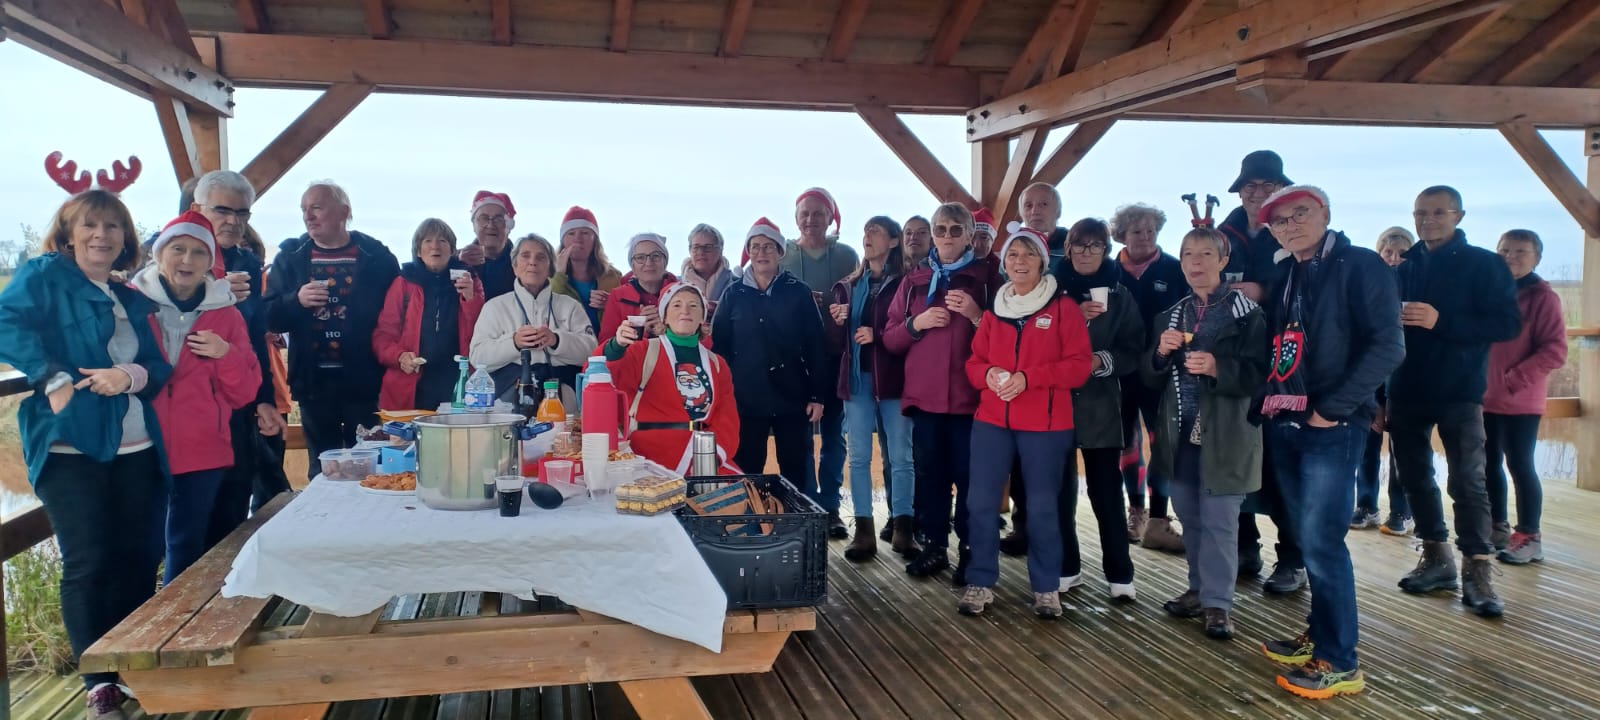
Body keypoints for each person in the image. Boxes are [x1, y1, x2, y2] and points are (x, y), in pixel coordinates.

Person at [0, 189, 172, 719]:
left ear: (125, 238)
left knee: (139, 559)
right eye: (90, 225)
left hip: (139, 447)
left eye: (113, 226)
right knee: (88, 560)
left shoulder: (132, 296)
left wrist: (132, 375)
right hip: (71, 445)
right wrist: (50, 374)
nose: (101, 235)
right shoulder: (47, 275)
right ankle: (98, 682)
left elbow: (158, 364)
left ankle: (130, 667)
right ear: (69, 232)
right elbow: (8, 324)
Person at [1253, 186, 1403, 700]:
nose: (1291, 225)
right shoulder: (1292, 271)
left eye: (1302, 214)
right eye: (1280, 221)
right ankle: (1319, 635)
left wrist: (1331, 410)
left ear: (1326, 215)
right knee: (1305, 531)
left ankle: (1341, 662)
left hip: (1332, 425)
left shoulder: (1360, 265)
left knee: (1322, 541)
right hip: (1290, 418)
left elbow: (1389, 345)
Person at [1390, 185, 1520, 618]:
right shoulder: (1402, 268)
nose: (1428, 220)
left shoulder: (1485, 265)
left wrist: (1440, 320)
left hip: (1459, 389)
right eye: (1420, 212)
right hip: (1406, 386)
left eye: (1438, 212)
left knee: (1468, 480)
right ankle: (1435, 557)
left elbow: (1505, 324)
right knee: (1413, 476)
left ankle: (1477, 568)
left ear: (1459, 216)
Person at [959, 222, 1093, 619]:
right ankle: (980, 581)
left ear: (1042, 262)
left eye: (1028, 254)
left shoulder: (1063, 308)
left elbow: (1079, 367)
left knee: (1042, 507)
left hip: (1046, 426)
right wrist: (990, 376)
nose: (1019, 261)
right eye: (1013, 254)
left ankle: (1046, 587)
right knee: (980, 502)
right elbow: (973, 363)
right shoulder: (994, 309)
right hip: (992, 420)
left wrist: (1028, 379)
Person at [1144, 227, 1268, 642]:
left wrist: (1218, 368)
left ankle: (1219, 604)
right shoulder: (1171, 315)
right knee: (1192, 518)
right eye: (1187, 255)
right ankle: (1198, 589)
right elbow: (1149, 378)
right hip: (1179, 431)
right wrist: (1160, 354)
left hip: (1227, 434)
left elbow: (1262, 375)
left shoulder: (1248, 314)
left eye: (1204, 254)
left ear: (1223, 260)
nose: (1195, 263)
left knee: (1220, 522)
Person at [132, 212, 262, 584]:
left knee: (186, 545)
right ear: (159, 253)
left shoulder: (226, 315)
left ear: (211, 262)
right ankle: (138, 629)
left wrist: (226, 354)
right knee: (140, 547)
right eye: (178, 249)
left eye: (198, 253)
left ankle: (178, 630)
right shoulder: (131, 305)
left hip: (202, 447)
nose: (187, 260)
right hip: (140, 445)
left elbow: (245, 392)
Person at [885, 202, 1002, 583]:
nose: (947, 236)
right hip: (926, 398)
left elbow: (1010, 338)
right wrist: (916, 323)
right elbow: (890, 339)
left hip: (972, 400)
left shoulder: (988, 279)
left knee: (972, 479)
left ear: (970, 234)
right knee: (931, 476)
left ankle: (971, 552)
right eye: (941, 229)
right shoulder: (914, 280)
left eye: (956, 229)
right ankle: (934, 546)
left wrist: (975, 314)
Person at [264, 181, 400, 481]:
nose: (308, 216)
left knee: (369, 463)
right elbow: (268, 316)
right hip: (314, 384)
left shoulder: (377, 256)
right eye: (304, 209)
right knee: (323, 469)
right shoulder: (291, 257)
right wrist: (296, 300)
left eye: (316, 207)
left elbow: (398, 313)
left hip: (364, 381)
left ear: (344, 212)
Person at [1219, 150, 1302, 591]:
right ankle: (1244, 547)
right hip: (1233, 366)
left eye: (1268, 185)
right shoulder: (1221, 234)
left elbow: (1306, 287)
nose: (1258, 193)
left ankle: (1292, 557)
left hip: (1285, 367)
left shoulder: (1292, 233)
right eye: (1251, 185)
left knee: (1285, 465)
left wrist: (1262, 291)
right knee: (1239, 460)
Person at [1053, 218, 1144, 601]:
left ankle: (1120, 576)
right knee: (1058, 491)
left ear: (1106, 250)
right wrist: (1073, 317)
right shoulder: (1049, 292)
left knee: (1106, 492)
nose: (1086, 252)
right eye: (1080, 244)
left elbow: (1134, 349)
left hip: (1100, 406)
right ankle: (1066, 568)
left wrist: (1100, 361)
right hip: (1053, 405)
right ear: (1069, 248)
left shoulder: (1121, 295)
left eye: (1095, 246)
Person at [187, 170, 278, 547]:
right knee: (189, 526)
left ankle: (228, 595)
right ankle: (182, 604)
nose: (233, 221)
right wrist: (213, 293)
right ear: (197, 209)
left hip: (239, 402)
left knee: (234, 506)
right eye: (222, 210)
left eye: (243, 214)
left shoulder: (247, 262)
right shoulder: (172, 253)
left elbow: (256, 338)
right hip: (190, 410)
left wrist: (265, 398)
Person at [712, 218, 828, 492]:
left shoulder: (798, 292)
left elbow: (816, 346)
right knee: (747, 467)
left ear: (779, 252)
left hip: (792, 396)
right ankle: (750, 526)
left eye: (768, 247)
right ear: (748, 252)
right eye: (755, 247)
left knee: (795, 468)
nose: (761, 253)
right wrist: (726, 395)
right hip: (746, 399)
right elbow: (720, 348)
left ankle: (796, 527)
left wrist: (817, 396)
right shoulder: (734, 294)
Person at [827, 216, 913, 561]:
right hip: (858, 381)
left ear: (894, 241)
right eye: (865, 231)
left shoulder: (907, 282)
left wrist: (878, 337)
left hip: (895, 381)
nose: (867, 236)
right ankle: (863, 529)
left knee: (902, 457)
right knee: (859, 457)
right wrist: (837, 322)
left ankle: (903, 527)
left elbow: (912, 331)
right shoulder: (848, 285)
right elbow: (836, 344)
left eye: (875, 231)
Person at [1109, 203, 1189, 551]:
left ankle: (1159, 518)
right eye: (1136, 231)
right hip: (1122, 371)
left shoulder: (1175, 269)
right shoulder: (1107, 272)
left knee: (1163, 442)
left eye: (1150, 231)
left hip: (1163, 370)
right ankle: (1136, 510)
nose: (1144, 237)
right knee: (1127, 443)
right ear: (1122, 235)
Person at [781, 187, 859, 539]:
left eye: (818, 213)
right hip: (793, 362)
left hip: (833, 356)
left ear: (831, 218)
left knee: (833, 437)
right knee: (799, 439)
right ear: (796, 218)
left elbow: (858, 297)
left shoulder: (845, 255)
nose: (811, 220)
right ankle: (806, 503)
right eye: (805, 214)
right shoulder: (782, 254)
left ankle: (829, 507)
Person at [1485, 229, 1566, 565]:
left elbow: (1555, 349)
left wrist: (1516, 377)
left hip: (1520, 399)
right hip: (1484, 395)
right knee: (1486, 465)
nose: (1510, 257)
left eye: (1520, 251)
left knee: (1520, 464)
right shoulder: (1489, 293)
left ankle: (1530, 536)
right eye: (1504, 250)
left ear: (1536, 258)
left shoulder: (1543, 298)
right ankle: (1496, 527)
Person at [607, 282, 741, 474]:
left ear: (702, 317)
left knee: (741, 497)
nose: (685, 310)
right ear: (664, 316)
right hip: (648, 454)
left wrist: (713, 456)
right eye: (676, 305)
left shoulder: (717, 364)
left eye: (694, 305)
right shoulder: (642, 351)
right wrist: (616, 345)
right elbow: (603, 377)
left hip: (701, 454)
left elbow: (726, 418)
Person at [470, 234, 597, 408]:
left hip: (563, 399)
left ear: (550, 268)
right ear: (515, 267)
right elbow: (477, 357)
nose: (532, 262)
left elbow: (592, 351)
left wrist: (556, 340)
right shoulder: (495, 307)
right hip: (508, 398)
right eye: (525, 256)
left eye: (541, 257)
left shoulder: (570, 306)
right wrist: (514, 342)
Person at [373, 219, 486, 411]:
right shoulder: (403, 282)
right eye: (428, 241)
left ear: (452, 250)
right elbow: (383, 336)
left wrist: (470, 298)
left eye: (442, 240)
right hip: (412, 384)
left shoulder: (469, 279)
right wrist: (399, 357)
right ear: (418, 251)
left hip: (458, 382)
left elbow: (483, 331)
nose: (435, 246)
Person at [1360, 227, 1416, 534]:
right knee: (1367, 444)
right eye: (1388, 252)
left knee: (1401, 451)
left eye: (1401, 253)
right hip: (1372, 379)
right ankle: (1366, 503)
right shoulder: (1372, 287)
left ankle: (1402, 510)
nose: (1394, 258)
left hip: (1404, 380)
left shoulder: (1416, 287)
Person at [550, 205, 624, 329]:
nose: (578, 239)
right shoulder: (548, 276)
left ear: (595, 241)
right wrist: (559, 275)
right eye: (571, 233)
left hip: (605, 346)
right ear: (563, 241)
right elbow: (546, 307)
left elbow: (628, 315)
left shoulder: (613, 277)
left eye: (585, 233)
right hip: (568, 345)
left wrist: (611, 304)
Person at [599, 233, 678, 344]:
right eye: (640, 257)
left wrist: (667, 328)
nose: (649, 263)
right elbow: (605, 346)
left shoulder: (682, 293)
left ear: (665, 262)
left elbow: (704, 340)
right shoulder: (618, 296)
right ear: (632, 266)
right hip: (633, 360)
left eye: (655, 256)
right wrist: (640, 330)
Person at [456, 190, 518, 300]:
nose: (490, 225)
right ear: (474, 225)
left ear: (508, 226)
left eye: (498, 219)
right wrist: (457, 263)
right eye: (484, 218)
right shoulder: (456, 261)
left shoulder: (522, 263)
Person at [680, 223, 737, 305]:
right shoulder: (676, 287)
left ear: (720, 251)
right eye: (696, 247)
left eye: (708, 247)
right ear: (690, 250)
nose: (701, 252)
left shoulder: (736, 286)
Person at [1019, 182, 1069, 272]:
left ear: (1058, 212)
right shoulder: (1011, 252)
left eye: (1044, 204)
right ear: (1021, 214)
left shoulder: (1077, 249)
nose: (1034, 211)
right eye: (1028, 205)